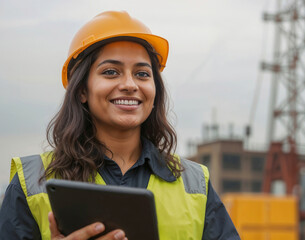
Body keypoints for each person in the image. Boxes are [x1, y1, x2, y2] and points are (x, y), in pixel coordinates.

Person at [0, 11, 241, 240]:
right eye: (111, 72)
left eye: (143, 74)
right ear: (82, 89)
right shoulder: (32, 182)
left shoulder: (195, 184)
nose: (129, 84)